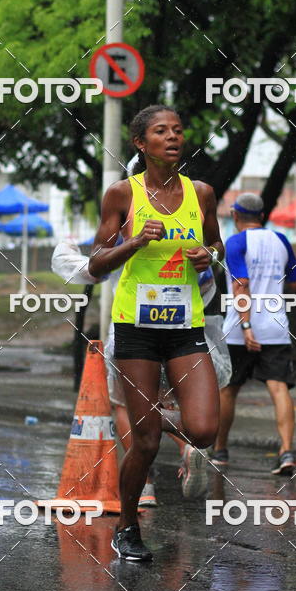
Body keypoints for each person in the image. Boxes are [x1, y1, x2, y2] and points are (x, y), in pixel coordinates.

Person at [88, 104, 224, 562]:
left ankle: (186, 445)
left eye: (178, 130)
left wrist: (208, 255)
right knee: (143, 443)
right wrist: (135, 242)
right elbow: (96, 262)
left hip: (185, 324)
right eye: (161, 132)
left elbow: (216, 244)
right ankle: (126, 526)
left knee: (204, 429)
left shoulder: (201, 192)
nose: (173, 137)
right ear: (141, 144)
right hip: (136, 328)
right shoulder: (121, 195)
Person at [211, 192, 296, 476]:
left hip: (240, 330)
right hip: (275, 328)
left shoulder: (236, 242)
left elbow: (241, 285)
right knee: (279, 388)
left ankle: (220, 451)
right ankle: (286, 451)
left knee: (228, 389)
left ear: (236, 216)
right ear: (262, 216)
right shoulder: (281, 241)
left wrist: (247, 325)